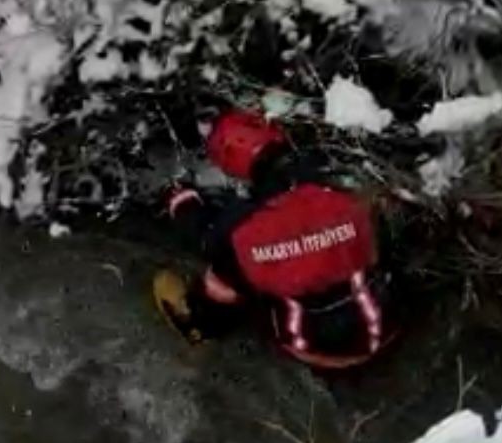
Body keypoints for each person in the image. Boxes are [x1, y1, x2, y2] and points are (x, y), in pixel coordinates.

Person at [154, 109, 399, 368]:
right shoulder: (343, 189)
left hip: (315, 348)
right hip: (387, 322)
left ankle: (198, 322)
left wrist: (179, 200)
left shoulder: (243, 232)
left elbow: (205, 232)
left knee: (225, 277)